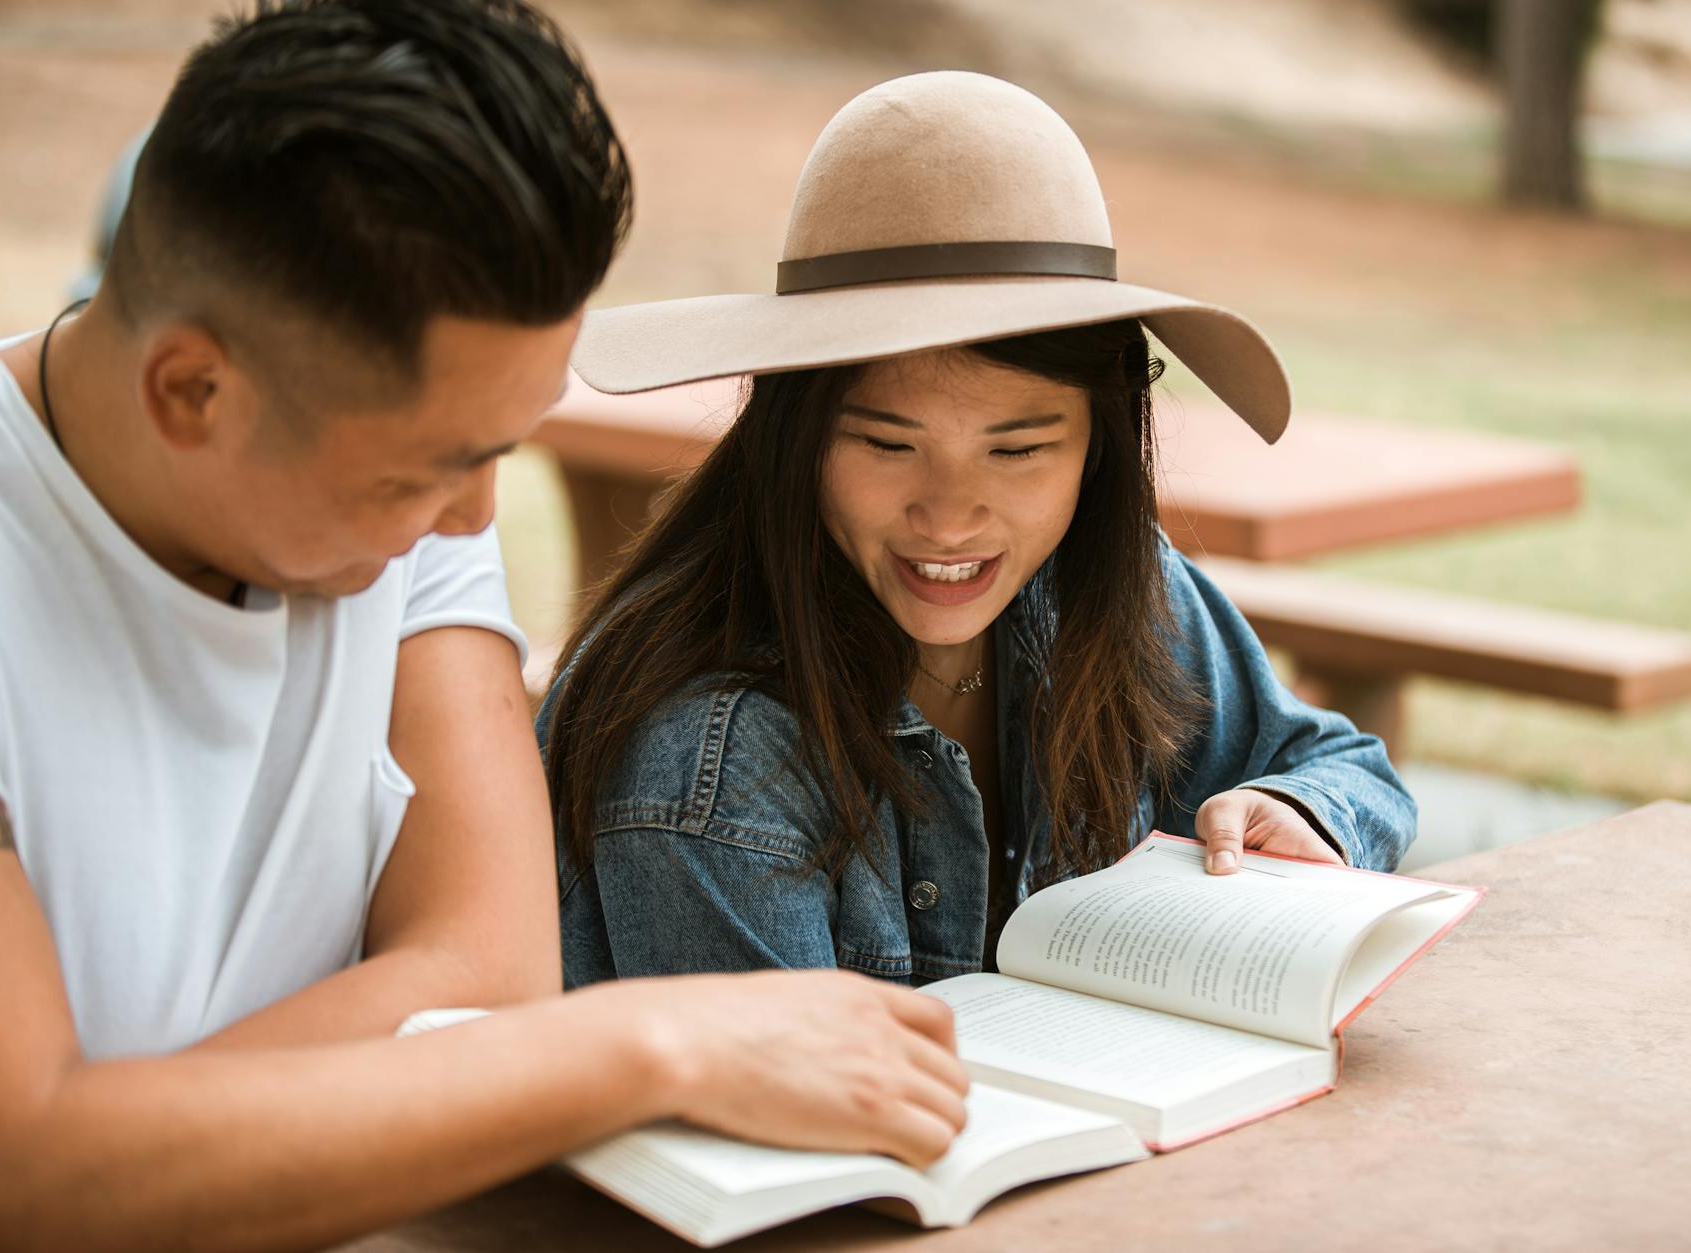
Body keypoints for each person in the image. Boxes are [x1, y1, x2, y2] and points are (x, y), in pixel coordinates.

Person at [0, 5, 967, 1247]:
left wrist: (132, 1138)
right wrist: (637, 1042)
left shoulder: (399, 525)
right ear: (194, 388)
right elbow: (25, 1175)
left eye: (501, 449)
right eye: (427, 467)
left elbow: (489, 983)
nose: (473, 514)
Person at [539, 71, 1418, 990]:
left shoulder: (1108, 586)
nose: (950, 515)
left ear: (1100, 445)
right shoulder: (710, 752)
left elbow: (1341, 764)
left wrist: (1296, 809)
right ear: (795, 438)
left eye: (1019, 450)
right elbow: (786, 1111)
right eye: (887, 442)